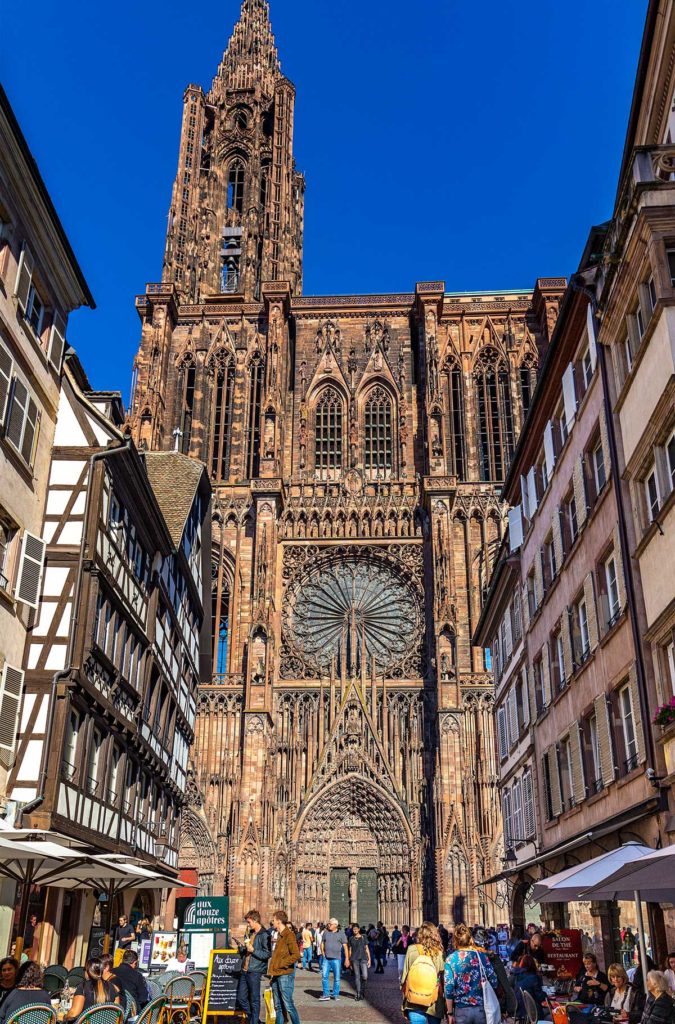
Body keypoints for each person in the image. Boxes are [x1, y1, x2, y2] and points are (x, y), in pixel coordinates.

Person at [444, 922, 499, 1024]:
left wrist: (450, 1013)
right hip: (481, 1008)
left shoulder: (450, 960)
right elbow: (494, 981)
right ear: (470, 939)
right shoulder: (481, 956)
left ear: (455, 940)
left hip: (461, 1009)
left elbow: (449, 988)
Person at [401, 921, 445, 1024]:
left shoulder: (411, 950)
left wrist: (404, 1004)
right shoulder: (439, 952)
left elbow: (404, 979)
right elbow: (442, 979)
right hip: (434, 1003)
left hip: (414, 1001)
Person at [473, 927, 517, 1018]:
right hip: (491, 1003)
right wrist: (509, 1009)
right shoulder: (493, 958)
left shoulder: (465, 958)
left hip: (469, 1006)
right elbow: (504, 984)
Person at [237, 909, 272, 1024]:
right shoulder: (250, 933)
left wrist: (253, 950)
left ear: (256, 920)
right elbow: (248, 951)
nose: (248, 924)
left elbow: (267, 954)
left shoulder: (265, 934)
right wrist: (242, 948)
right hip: (245, 969)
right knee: (241, 998)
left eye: (249, 922)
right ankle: (255, 1019)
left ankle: (254, 1022)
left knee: (254, 999)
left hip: (255, 970)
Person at [268, 910, 301, 1024]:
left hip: (285, 974)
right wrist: (273, 973)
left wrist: (281, 964)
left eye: (274, 920)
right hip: (277, 974)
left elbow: (296, 955)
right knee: (278, 1006)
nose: (272, 923)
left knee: (288, 1004)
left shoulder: (289, 935)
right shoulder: (280, 935)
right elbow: (277, 956)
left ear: (278, 921)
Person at [320, 918, 348, 1001]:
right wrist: (323, 953)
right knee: (324, 977)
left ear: (335, 925)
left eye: (330, 924)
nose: (328, 925)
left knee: (337, 978)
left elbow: (345, 947)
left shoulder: (341, 934)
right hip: (326, 959)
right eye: (328, 924)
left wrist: (347, 959)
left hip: (336, 959)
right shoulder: (325, 932)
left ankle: (335, 995)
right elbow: (322, 943)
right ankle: (326, 994)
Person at [348, 924, 371, 1001]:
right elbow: (350, 950)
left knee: (365, 976)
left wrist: (369, 959)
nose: (354, 930)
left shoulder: (364, 937)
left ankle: (362, 991)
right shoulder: (351, 938)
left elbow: (367, 948)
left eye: (356, 929)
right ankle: (358, 993)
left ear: (358, 929)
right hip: (354, 959)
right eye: (353, 929)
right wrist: (349, 960)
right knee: (357, 976)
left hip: (363, 959)